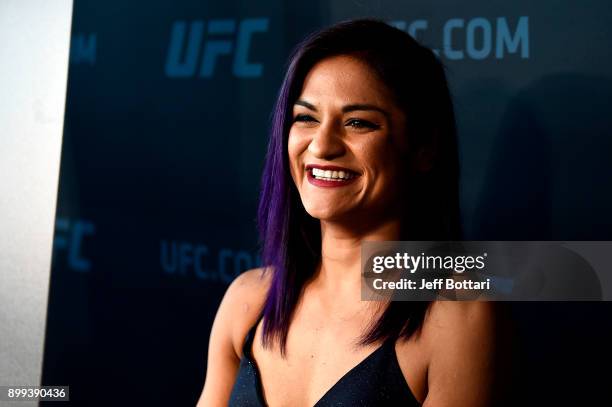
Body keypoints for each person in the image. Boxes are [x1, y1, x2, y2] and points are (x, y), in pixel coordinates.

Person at [197, 18, 501, 406]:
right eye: (306, 118)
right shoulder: (247, 300)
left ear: (424, 148)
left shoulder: (457, 315)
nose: (321, 146)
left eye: (358, 122)